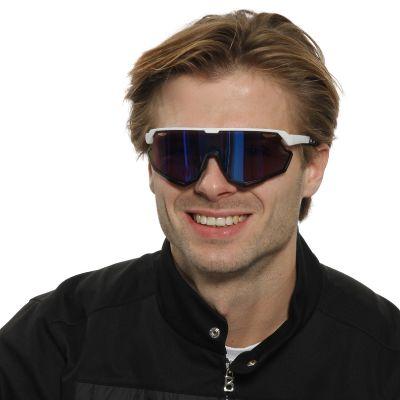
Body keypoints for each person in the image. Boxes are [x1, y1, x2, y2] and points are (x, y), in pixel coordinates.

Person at [1, 9, 399, 400]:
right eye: (180, 151)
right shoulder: (53, 344)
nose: (211, 185)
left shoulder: (386, 359)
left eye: (252, 153)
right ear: (151, 166)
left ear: (313, 168)